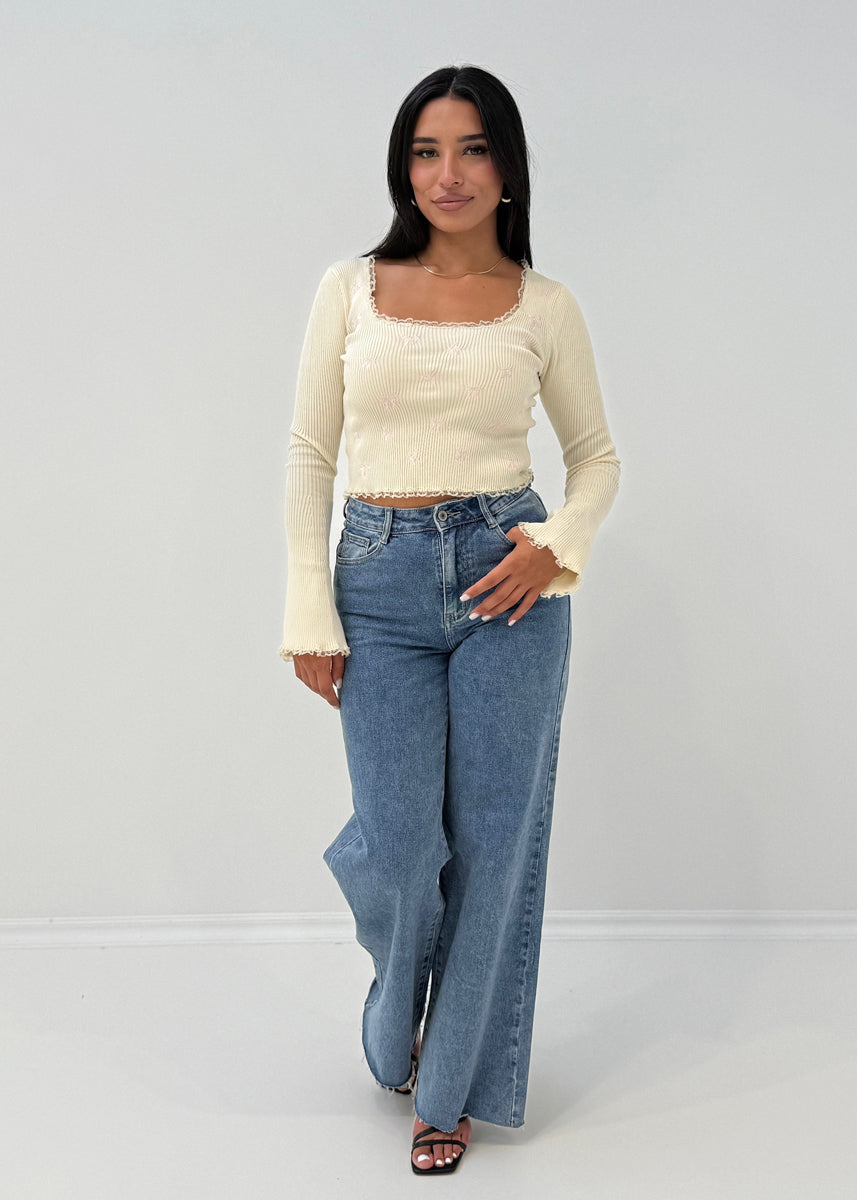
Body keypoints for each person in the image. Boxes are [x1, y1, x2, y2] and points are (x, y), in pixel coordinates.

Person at [278, 64, 621, 1175]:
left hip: (503, 580)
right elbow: (311, 453)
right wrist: (309, 609)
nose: (448, 173)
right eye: (426, 151)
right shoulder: (351, 288)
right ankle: (399, 1028)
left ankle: (450, 1087)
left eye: (471, 149)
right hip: (375, 581)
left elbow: (595, 460)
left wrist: (557, 547)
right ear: (403, 168)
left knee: (490, 847)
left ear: (507, 167)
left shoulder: (543, 306)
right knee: (398, 848)